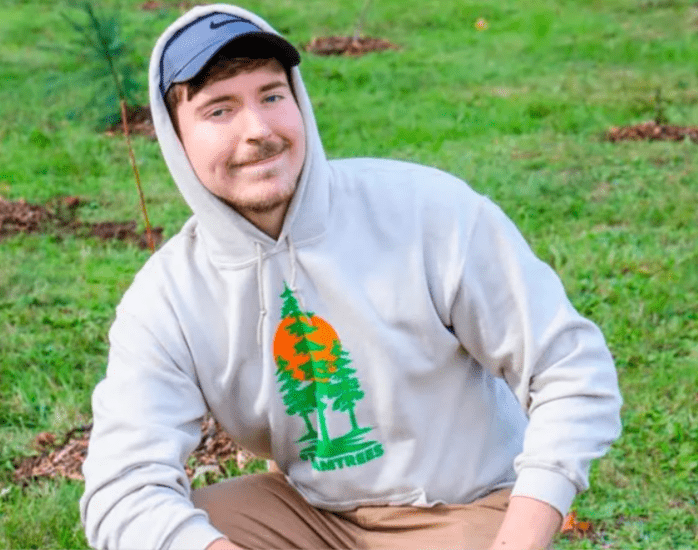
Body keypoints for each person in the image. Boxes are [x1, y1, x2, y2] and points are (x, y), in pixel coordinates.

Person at [80, 4, 622, 550]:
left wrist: (520, 536)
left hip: (465, 510)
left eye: (272, 95)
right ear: (175, 137)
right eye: (219, 111)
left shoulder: (426, 214)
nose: (259, 130)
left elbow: (570, 370)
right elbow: (121, 489)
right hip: (314, 516)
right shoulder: (169, 295)